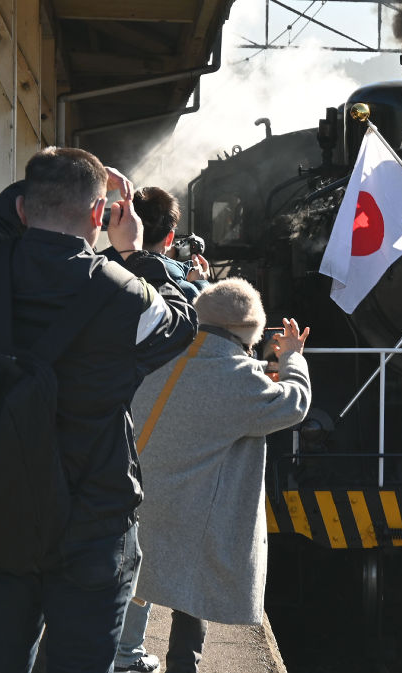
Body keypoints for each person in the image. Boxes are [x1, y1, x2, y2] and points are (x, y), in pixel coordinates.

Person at [0, 146, 198, 673]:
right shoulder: (127, 295)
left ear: (23, 207)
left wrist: (46, 183)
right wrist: (135, 252)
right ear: (99, 214)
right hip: (93, 515)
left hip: (4, 503)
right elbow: (182, 321)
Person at [130, 278, 311, 673]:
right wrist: (293, 358)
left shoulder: (164, 356)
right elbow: (294, 403)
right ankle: (183, 665)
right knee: (194, 587)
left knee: (133, 586)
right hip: (189, 512)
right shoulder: (238, 376)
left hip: (139, 501)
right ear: (248, 333)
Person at [114, 186, 211, 673]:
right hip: (164, 432)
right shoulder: (182, 288)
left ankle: (117, 651)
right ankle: (150, 656)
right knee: (153, 546)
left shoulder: (93, 270)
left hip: (106, 422)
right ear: (170, 236)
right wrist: (198, 286)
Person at [131, 186, 209, 300]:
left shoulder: (104, 266)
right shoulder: (185, 291)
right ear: (169, 239)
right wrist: (200, 283)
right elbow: (205, 309)